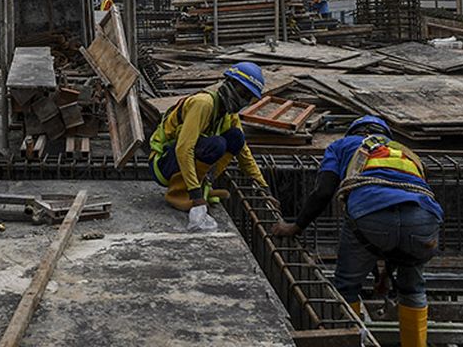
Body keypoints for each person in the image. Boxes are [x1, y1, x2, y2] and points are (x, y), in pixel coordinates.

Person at [272, 115, 441, 347]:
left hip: (370, 214)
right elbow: (401, 219)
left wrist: (295, 226)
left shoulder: (342, 145)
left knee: (346, 287)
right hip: (423, 220)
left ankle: (349, 340)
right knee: (413, 289)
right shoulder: (406, 151)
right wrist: (384, 274)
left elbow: (323, 192)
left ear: (353, 132)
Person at [149, 62, 271, 214]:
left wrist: (262, 186)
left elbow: (243, 151)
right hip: (164, 162)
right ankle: (179, 194)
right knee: (216, 144)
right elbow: (184, 149)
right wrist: (195, 194)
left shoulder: (229, 112)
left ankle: (203, 186)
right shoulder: (203, 104)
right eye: (243, 93)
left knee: (236, 138)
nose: (244, 100)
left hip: (179, 161)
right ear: (231, 83)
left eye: (248, 97)